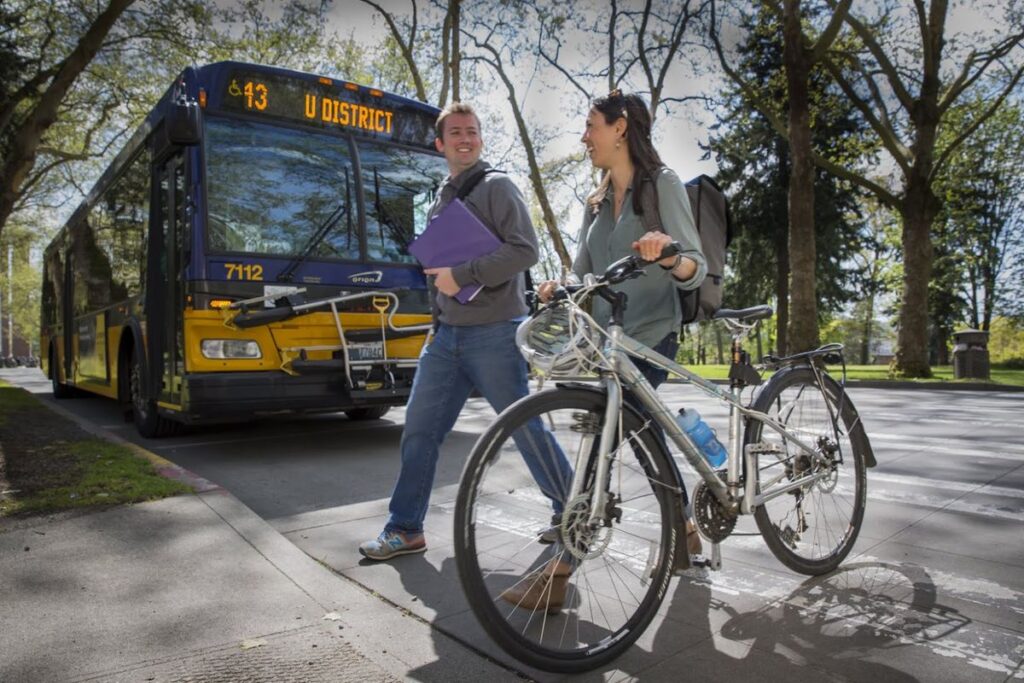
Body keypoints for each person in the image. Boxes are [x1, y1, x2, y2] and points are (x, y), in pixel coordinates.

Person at [502, 90, 707, 610]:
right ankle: (684, 528)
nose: (585, 136)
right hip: (607, 338)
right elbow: (582, 273)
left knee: (609, 434)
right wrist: (557, 285)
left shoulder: (661, 185)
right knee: (640, 435)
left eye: (591, 125)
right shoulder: (594, 203)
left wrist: (667, 255)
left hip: (653, 331)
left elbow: (695, 266)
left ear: (620, 128)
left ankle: (562, 570)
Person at [359, 102, 572, 561]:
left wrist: (465, 274)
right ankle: (406, 528)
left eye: (472, 131)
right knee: (418, 429)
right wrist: (439, 311)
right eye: (455, 132)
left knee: (525, 428)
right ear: (440, 144)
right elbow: (441, 270)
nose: (465, 139)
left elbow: (525, 251)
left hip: (496, 333)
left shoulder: (498, 186)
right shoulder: (440, 197)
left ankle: (571, 510)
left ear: (480, 139)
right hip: (447, 338)